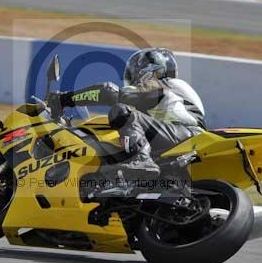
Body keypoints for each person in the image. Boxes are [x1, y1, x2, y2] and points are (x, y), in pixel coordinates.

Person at [49, 48, 206, 185]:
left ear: (151, 72)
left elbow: (109, 92)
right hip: (178, 136)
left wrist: (64, 99)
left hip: (184, 133)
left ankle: (142, 161)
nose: (133, 80)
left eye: (135, 74)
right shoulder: (165, 100)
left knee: (122, 111)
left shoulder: (166, 83)